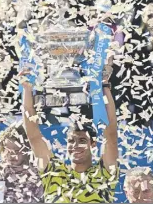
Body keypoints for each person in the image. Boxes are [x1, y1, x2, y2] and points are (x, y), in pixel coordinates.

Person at [19, 62, 119, 203]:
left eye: (82, 140)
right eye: (71, 141)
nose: (75, 145)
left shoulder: (104, 174)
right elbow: (33, 135)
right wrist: (27, 89)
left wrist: (104, 86)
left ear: (93, 144)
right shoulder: (54, 171)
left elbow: (111, 136)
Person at [0, 124, 44, 203]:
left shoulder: (38, 175)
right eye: (7, 150)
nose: (11, 155)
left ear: (27, 150)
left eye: (17, 151)